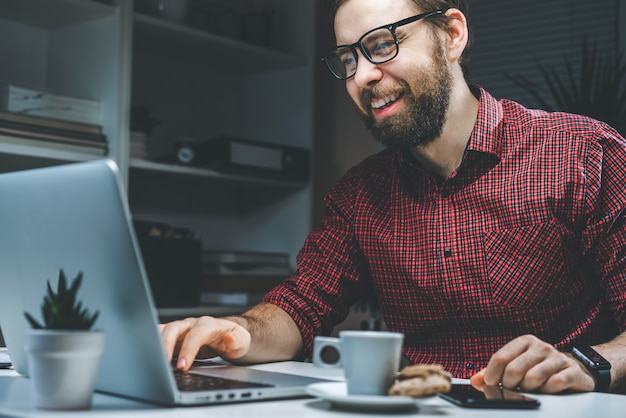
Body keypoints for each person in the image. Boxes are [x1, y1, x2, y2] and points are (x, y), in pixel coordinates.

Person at [160, 0, 626, 394]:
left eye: (381, 45)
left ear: (451, 35)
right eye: (347, 60)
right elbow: (300, 307)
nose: (361, 76)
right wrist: (237, 332)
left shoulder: (582, 154)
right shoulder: (360, 195)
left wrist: (588, 363)